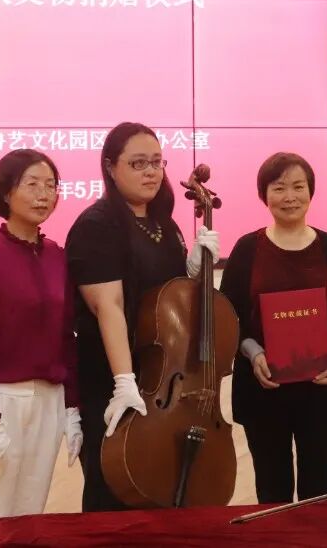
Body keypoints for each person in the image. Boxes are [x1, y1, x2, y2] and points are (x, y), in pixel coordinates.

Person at [65, 122, 219, 512]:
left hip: (160, 377)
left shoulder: (163, 224)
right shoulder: (97, 225)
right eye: (138, 163)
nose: (151, 172)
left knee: (161, 491)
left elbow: (169, 305)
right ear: (110, 167)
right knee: (113, 492)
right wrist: (123, 382)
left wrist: (193, 271)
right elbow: (109, 307)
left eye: (156, 162)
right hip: (115, 380)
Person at [219, 152, 327, 503]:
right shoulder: (247, 249)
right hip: (263, 390)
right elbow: (228, 317)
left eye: (298, 187)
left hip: (324, 390)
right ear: (264, 195)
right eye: (279, 188)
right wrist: (253, 353)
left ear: (310, 192)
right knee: (272, 493)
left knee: (319, 494)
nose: (290, 196)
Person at [0, 149, 82, 518]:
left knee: (30, 516)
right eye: (32, 184)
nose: (44, 195)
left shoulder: (58, 256)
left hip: (49, 403)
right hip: (2, 403)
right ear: (6, 192)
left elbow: (66, 337)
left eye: (51, 186)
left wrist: (72, 407)